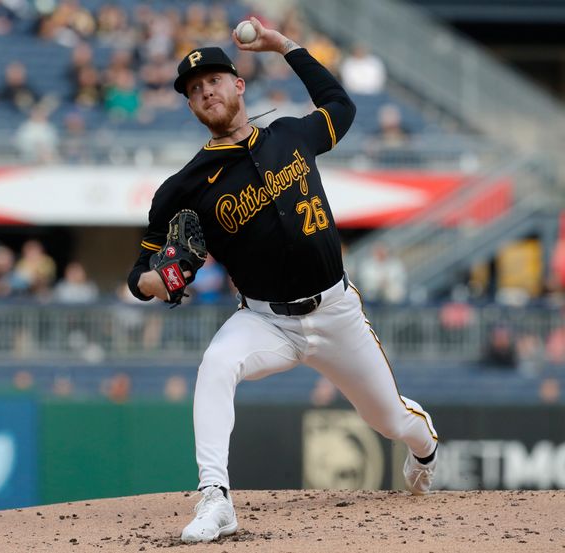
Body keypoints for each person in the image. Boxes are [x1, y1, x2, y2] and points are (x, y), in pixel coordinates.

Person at [126, 17, 439, 544]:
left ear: (238, 85)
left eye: (214, 81)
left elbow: (342, 105)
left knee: (391, 421)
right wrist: (164, 279)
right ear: (190, 106)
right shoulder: (180, 188)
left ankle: (425, 450)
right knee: (217, 363)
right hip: (265, 321)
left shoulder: (291, 134)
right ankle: (215, 498)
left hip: (337, 312)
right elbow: (139, 277)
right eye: (195, 90)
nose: (206, 91)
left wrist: (284, 46)